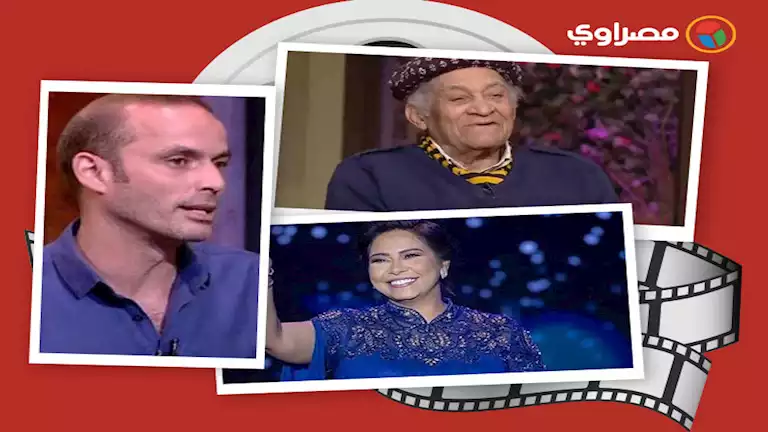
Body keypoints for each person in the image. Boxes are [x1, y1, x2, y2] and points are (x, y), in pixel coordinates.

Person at [40, 94, 260, 359]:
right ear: (94, 172)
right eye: (178, 161)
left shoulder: (252, 281)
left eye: (220, 163)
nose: (216, 182)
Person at [325, 57, 619, 211]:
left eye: (496, 95)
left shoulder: (577, 177)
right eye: (459, 99)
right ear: (418, 116)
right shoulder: (370, 177)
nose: (483, 109)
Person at [265, 220, 545, 380]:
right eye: (380, 260)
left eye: (410, 256)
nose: (396, 269)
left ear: (443, 265)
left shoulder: (500, 332)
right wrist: (260, 272)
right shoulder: (343, 328)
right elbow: (274, 340)